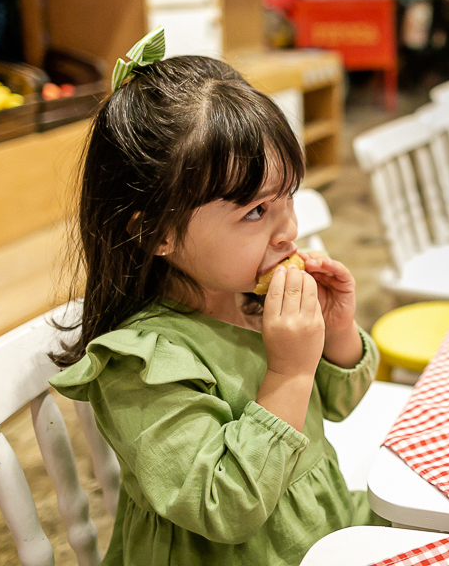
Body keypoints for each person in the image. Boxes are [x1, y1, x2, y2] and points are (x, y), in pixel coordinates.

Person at [49, 30, 384, 566]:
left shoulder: (250, 298)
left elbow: (339, 406)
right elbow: (223, 505)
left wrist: (336, 331)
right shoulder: (141, 366)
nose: (287, 230)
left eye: (287, 199)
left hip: (319, 530)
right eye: (255, 212)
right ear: (155, 231)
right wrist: (289, 374)